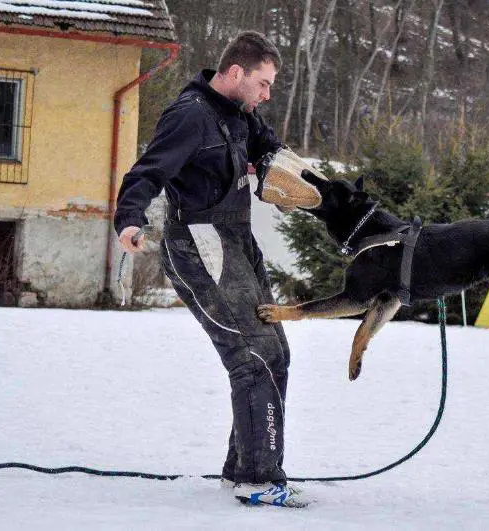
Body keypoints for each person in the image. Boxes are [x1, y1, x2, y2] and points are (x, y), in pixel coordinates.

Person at [114, 31, 306, 508]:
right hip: (199, 243)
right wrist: (130, 220)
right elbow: (146, 172)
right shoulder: (189, 116)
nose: (266, 95)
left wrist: (282, 172)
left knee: (275, 350)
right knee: (253, 354)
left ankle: (244, 467)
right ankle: (259, 479)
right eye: (262, 84)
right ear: (235, 73)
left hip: (238, 239)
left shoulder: (242, 115)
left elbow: (270, 150)